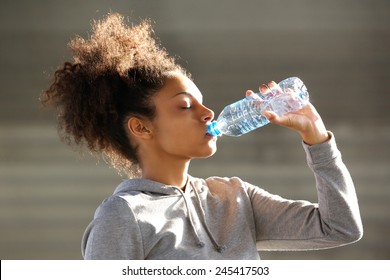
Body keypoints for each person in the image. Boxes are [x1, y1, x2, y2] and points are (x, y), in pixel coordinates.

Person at [41, 13, 363, 260]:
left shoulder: (235, 198)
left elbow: (340, 227)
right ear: (142, 127)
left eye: (202, 101)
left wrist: (316, 138)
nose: (208, 113)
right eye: (185, 106)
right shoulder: (122, 216)